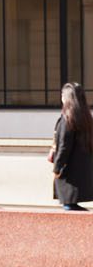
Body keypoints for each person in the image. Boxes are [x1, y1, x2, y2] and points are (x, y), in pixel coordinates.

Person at [52, 82, 93, 211]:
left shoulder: (67, 119)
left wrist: (57, 168)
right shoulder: (87, 119)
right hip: (83, 173)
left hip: (69, 175)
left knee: (69, 207)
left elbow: (64, 146)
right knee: (73, 207)